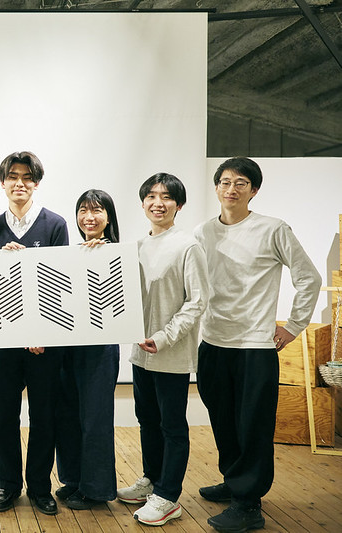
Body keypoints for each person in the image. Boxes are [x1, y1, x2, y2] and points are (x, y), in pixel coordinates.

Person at [195, 157, 320, 532]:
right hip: (213, 341)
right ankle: (234, 480)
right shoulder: (203, 232)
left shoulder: (272, 228)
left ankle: (248, 504)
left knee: (252, 426)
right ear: (216, 188)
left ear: (254, 190)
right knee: (223, 421)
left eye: (241, 183)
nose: (231, 189)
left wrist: (293, 326)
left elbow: (309, 278)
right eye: (225, 182)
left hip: (254, 345)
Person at [116, 173, 208, 527]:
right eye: (151, 196)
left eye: (167, 197)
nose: (158, 202)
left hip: (170, 353)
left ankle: (168, 497)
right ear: (143, 203)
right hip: (141, 353)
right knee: (147, 420)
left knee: (172, 427)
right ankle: (151, 480)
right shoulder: (137, 247)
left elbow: (197, 301)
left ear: (178, 205)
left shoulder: (188, 246)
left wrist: (165, 337)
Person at [0, 151, 67, 516]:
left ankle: (40, 487)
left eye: (27, 177)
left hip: (42, 344)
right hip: (1, 342)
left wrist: (42, 331)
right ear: (3, 183)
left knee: (44, 415)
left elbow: (61, 284)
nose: (20, 183)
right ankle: (8, 484)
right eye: (13, 177)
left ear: (36, 183)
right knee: (5, 416)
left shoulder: (55, 225)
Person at [54, 189, 120, 510]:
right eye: (83, 210)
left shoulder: (116, 253)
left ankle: (96, 490)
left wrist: (102, 256)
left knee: (95, 418)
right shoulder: (72, 252)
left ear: (108, 217)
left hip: (99, 350)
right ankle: (74, 480)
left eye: (96, 211)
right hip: (69, 346)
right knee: (67, 415)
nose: (89, 217)